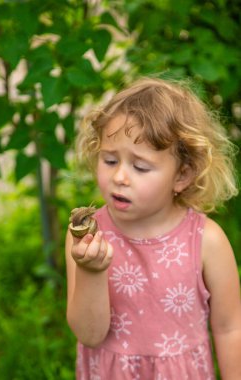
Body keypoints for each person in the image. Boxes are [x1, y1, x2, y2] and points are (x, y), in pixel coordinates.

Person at [65, 77, 241, 379]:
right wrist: (91, 271)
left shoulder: (206, 241)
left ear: (182, 176)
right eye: (109, 160)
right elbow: (89, 334)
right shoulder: (87, 237)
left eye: (141, 167)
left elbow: (230, 327)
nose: (120, 176)